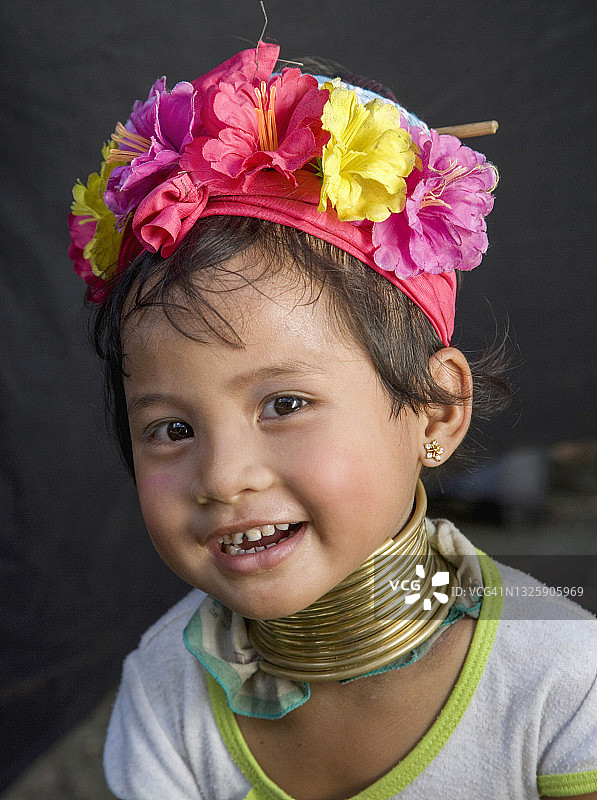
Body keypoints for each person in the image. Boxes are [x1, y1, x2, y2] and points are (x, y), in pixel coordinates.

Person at [68, 43, 597, 800]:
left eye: (283, 405)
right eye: (172, 430)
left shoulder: (562, 682)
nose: (222, 477)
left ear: (435, 410)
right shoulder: (163, 691)